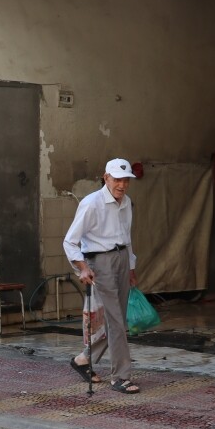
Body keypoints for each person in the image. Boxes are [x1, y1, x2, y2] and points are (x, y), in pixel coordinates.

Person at [64, 158, 140, 394]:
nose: (122, 185)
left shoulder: (126, 202)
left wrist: (131, 267)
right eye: (117, 179)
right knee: (117, 321)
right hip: (100, 262)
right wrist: (82, 267)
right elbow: (70, 241)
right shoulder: (91, 203)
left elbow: (126, 237)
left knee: (117, 321)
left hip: (121, 259)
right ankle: (121, 377)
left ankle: (84, 359)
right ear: (106, 177)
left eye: (125, 180)